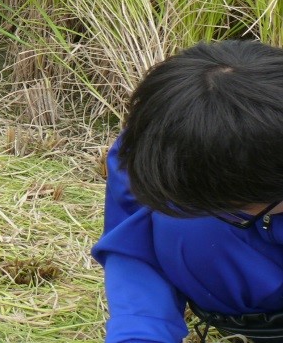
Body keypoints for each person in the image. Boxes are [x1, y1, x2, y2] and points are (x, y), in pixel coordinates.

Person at [93, 40, 283, 342]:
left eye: (239, 211)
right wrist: (140, 333)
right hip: (247, 305)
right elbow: (135, 246)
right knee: (187, 224)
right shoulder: (162, 147)